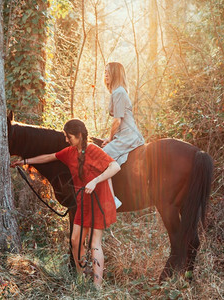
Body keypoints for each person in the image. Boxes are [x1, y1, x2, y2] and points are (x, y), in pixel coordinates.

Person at [11, 119, 120, 289]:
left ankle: (97, 288)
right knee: (75, 240)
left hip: (98, 199)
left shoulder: (93, 150)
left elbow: (115, 166)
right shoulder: (69, 152)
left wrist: (95, 181)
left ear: (79, 136)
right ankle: (81, 278)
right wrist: (24, 161)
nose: (66, 140)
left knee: (94, 243)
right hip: (83, 201)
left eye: (69, 137)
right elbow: (49, 157)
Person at [102, 61, 144, 165]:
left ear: (115, 74)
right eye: (105, 72)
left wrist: (110, 138)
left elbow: (117, 121)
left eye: (108, 72)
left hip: (127, 136)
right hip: (122, 135)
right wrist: (110, 138)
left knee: (100, 158)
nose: (105, 75)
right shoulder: (117, 92)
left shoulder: (119, 92)